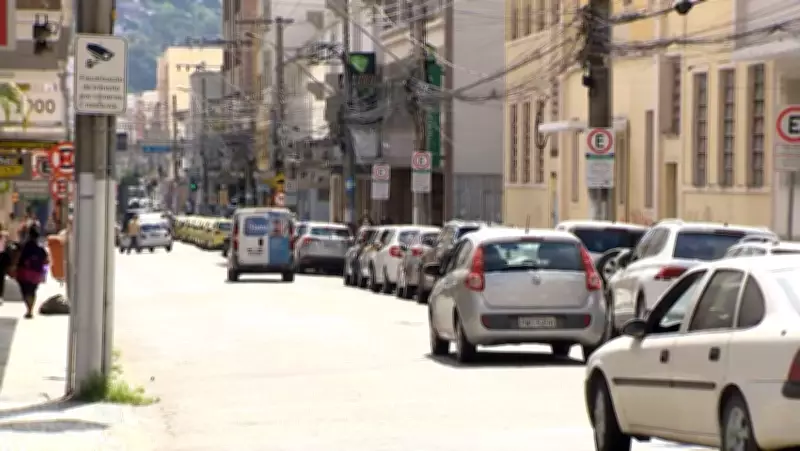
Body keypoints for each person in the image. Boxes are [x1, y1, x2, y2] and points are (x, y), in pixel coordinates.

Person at [15, 226, 49, 319]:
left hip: (24, 273)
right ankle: (30, 310)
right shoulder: (40, 248)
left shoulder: (24, 247)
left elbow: (18, 258)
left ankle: (28, 309)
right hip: (36, 273)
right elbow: (46, 261)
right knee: (33, 291)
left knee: (25, 291)